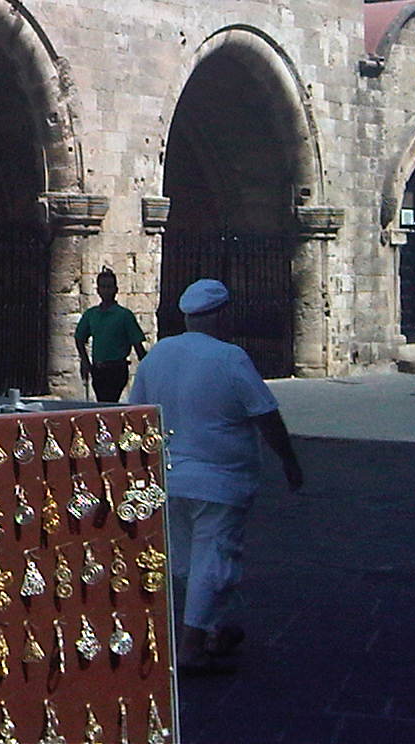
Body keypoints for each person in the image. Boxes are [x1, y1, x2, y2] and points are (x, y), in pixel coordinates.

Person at [129, 278, 303, 676]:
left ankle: (211, 629)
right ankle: (191, 647)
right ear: (222, 315)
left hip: (170, 476)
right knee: (215, 559)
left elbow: (137, 414)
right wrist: (289, 462)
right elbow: (265, 414)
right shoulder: (230, 358)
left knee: (189, 562)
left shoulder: (159, 354)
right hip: (220, 480)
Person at [74, 267, 149, 403]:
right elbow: (79, 337)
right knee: (102, 402)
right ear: (98, 290)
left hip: (117, 369)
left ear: (116, 290)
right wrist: (85, 362)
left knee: (110, 401)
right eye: (103, 287)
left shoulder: (124, 315)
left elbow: (137, 345)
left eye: (109, 287)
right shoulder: (91, 314)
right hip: (98, 369)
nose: (106, 291)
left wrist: (147, 367)